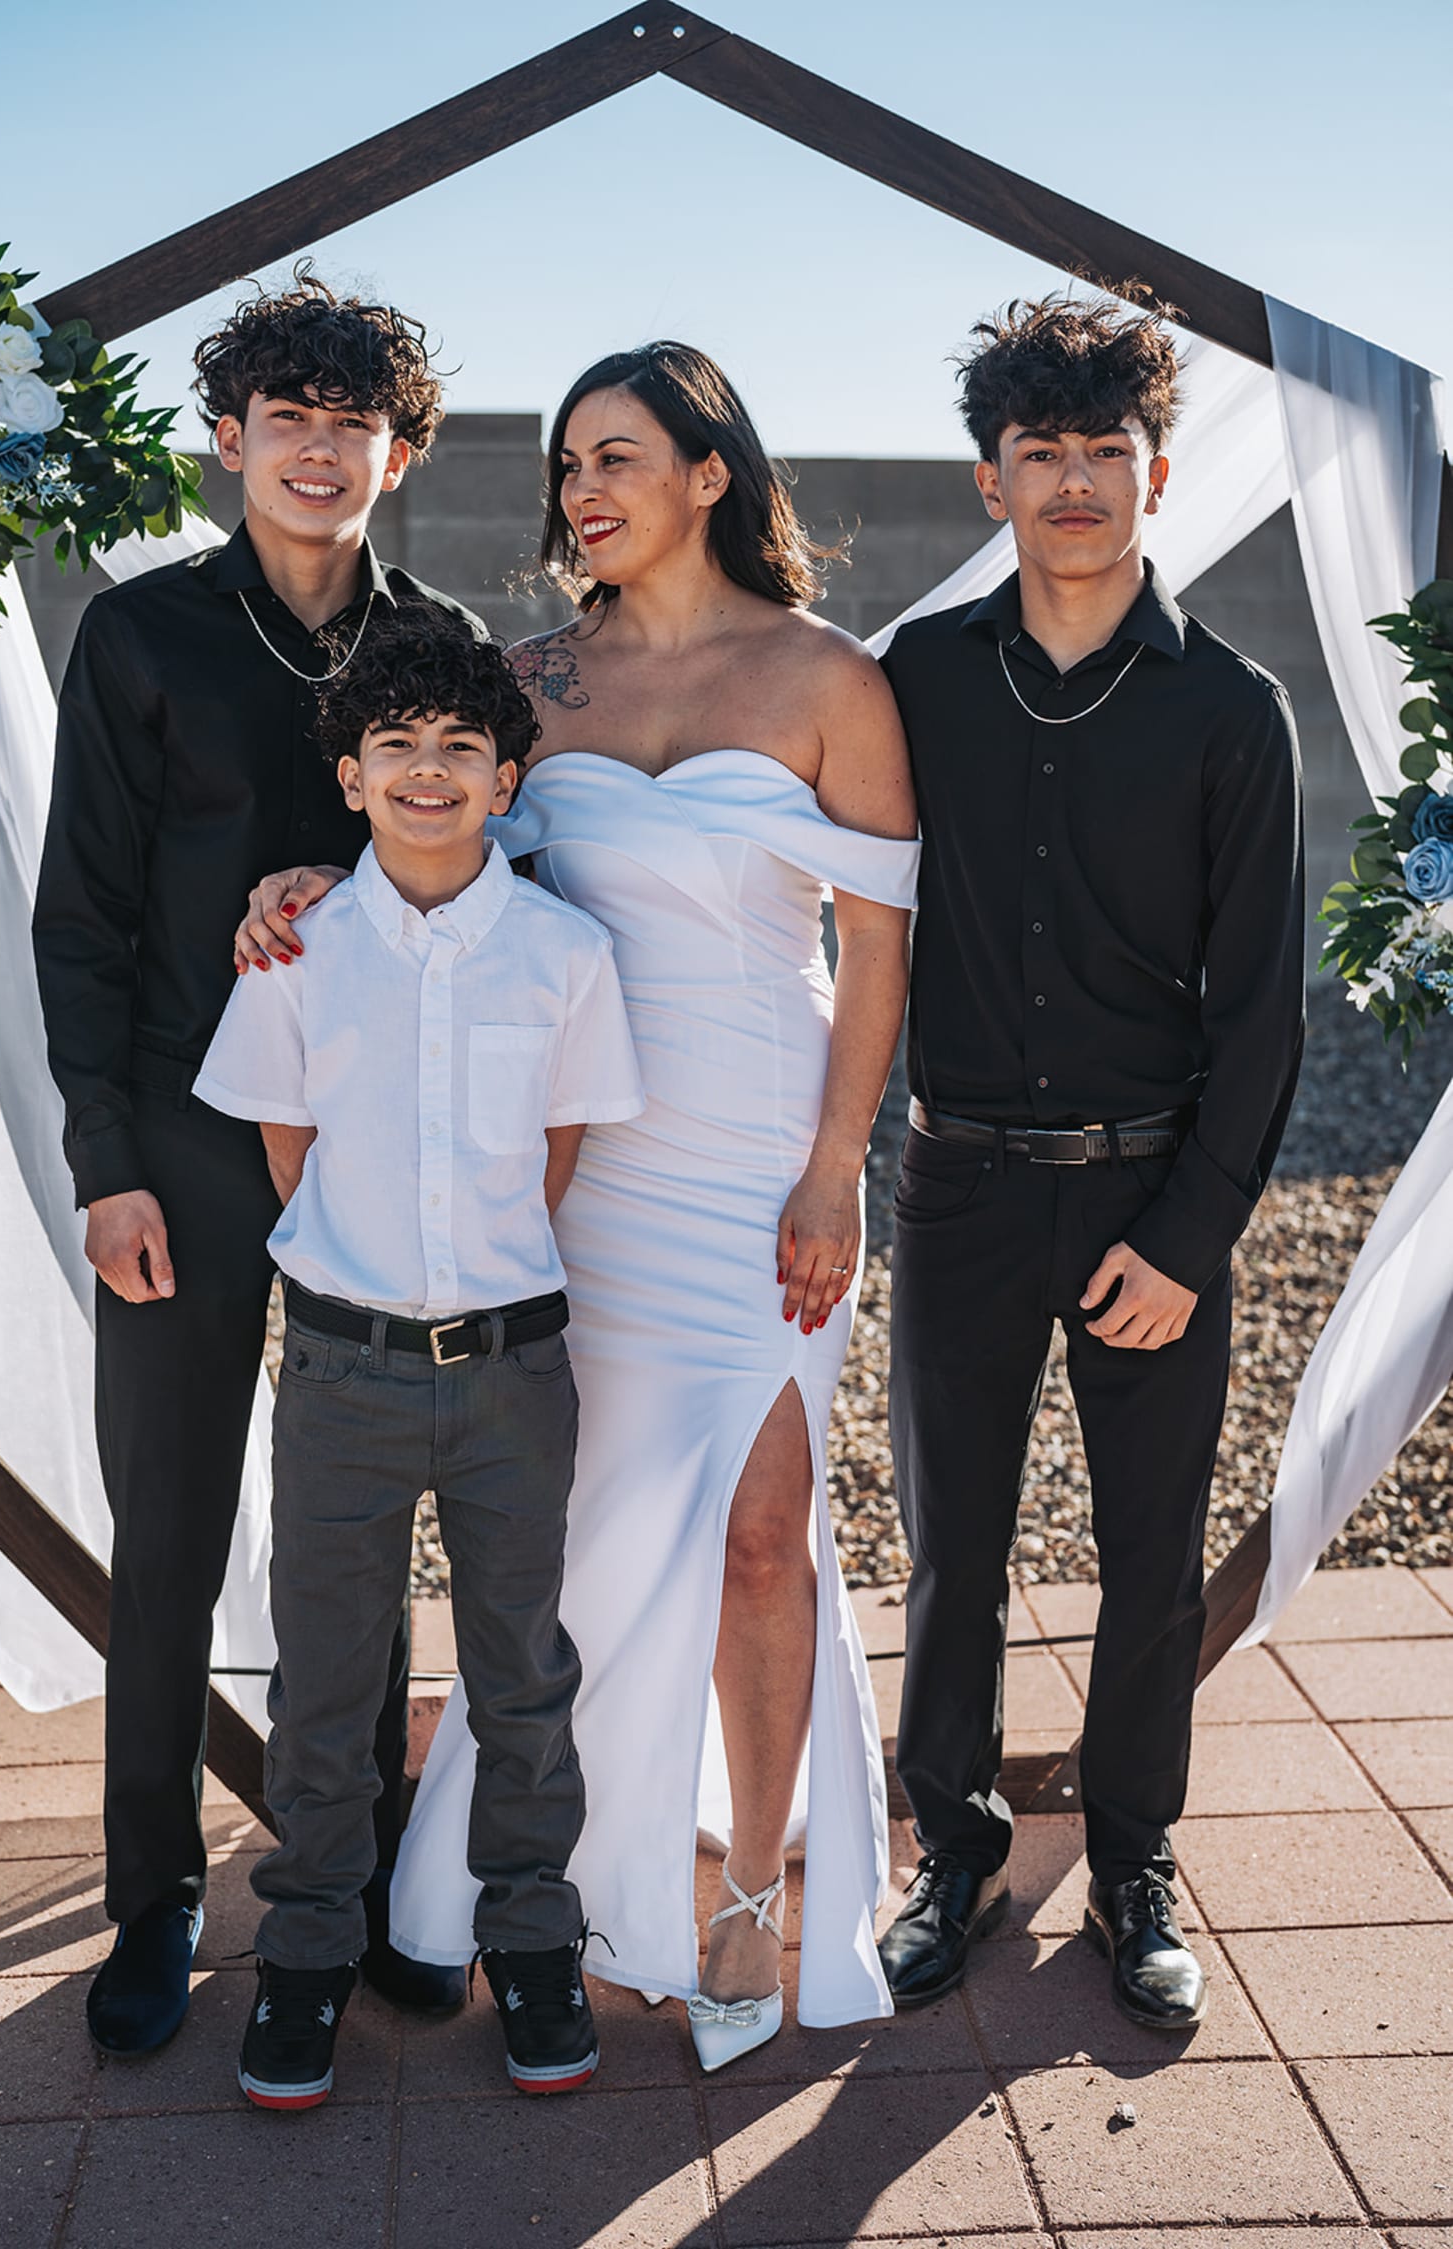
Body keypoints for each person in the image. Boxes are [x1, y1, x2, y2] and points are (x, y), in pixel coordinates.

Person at [235, 341, 920, 2070]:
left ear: (711, 471)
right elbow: (434, 835)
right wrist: (320, 876)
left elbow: (877, 941)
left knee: (768, 1533)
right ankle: (544, 1884)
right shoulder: (529, 680)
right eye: (566, 468)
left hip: (771, 1161)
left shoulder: (832, 677)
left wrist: (841, 1161)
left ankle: (754, 1888)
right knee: (572, 1547)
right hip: (585, 1176)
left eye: (617, 456)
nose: (582, 493)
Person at [31, 273, 482, 2056]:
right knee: (173, 1527)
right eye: (282, 416)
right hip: (185, 1149)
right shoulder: (141, 636)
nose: (315, 447)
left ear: (396, 447)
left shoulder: (436, 640)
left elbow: (472, 866)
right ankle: (151, 1897)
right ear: (230, 441)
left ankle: (353, 1878)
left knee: (354, 1532)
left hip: (382, 1151)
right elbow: (77, 924)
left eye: (348, 419)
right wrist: (105, 1163)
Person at [876, 297, 1304, 2030]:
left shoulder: (1233, 710)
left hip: (1148, 1194)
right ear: (991, 480)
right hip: (960, 1184)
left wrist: (1193, 1233)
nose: (1071, 484)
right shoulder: (912, 686)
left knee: (1148, 1551)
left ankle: (1133, 1857)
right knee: (952, 1545)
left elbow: (1262, 1012)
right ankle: (954, 1853)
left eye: (1101, 452)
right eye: (1038, 454)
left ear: (1157, 472)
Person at [195, 607, 643, 2106]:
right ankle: (313, 1947)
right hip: (341, 1372)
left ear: (508, 779)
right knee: (327, 1680)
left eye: (463, 747)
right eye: (398, 746)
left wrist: (473, 1291)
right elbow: (286, 1147)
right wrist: (380, 1283)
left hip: (513, 1372)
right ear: (350, 775)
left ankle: (530, 1935)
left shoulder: (566, 954)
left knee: (521, 1668)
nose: (431, 771)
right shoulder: (298, 948)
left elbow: (558, 1152)